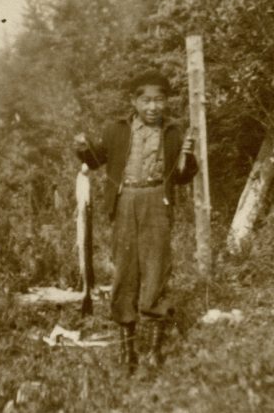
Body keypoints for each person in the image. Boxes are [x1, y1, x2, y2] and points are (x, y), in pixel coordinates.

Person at [73, 70, 198, 374]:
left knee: (156, 268)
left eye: (159, 100)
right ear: (134, 102)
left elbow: (182, 177)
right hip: (125, 201)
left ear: (165, 102)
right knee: (125, 272)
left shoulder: (173, 131)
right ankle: (127, 351)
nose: (153, 107)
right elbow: (95, 160)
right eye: (147, 101)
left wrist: (189, 158)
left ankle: (153, 350)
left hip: (157, 200)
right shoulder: (116, 130)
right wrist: (82, 147)